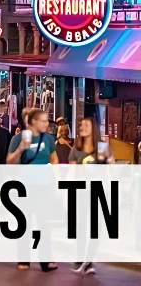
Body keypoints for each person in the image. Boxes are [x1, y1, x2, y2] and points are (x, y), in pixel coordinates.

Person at [7, 109, 58, 272]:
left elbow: (54, 158)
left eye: (47, 121)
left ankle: (46, 260)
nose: (46, 124)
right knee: (24, 224)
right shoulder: (18, 138)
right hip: (24, 187)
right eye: (43, 121)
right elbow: (9, 162)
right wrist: (21, 148)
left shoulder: (49, 139)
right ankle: (24, 259)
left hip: (43, 187)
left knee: (44, 223)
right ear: (33, 122)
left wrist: (56, 179)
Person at [69, 117, 109, 275]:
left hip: (98, 192)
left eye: (86, 125)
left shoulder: (102, 147)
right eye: (81, 126)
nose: (82, 128)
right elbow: (72, 173)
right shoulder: (76, 149)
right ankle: (80, 258)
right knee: (80, 227)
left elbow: (109, 171)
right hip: (80, 192)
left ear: (94, 128)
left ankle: (89, 261)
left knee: (94, 228)